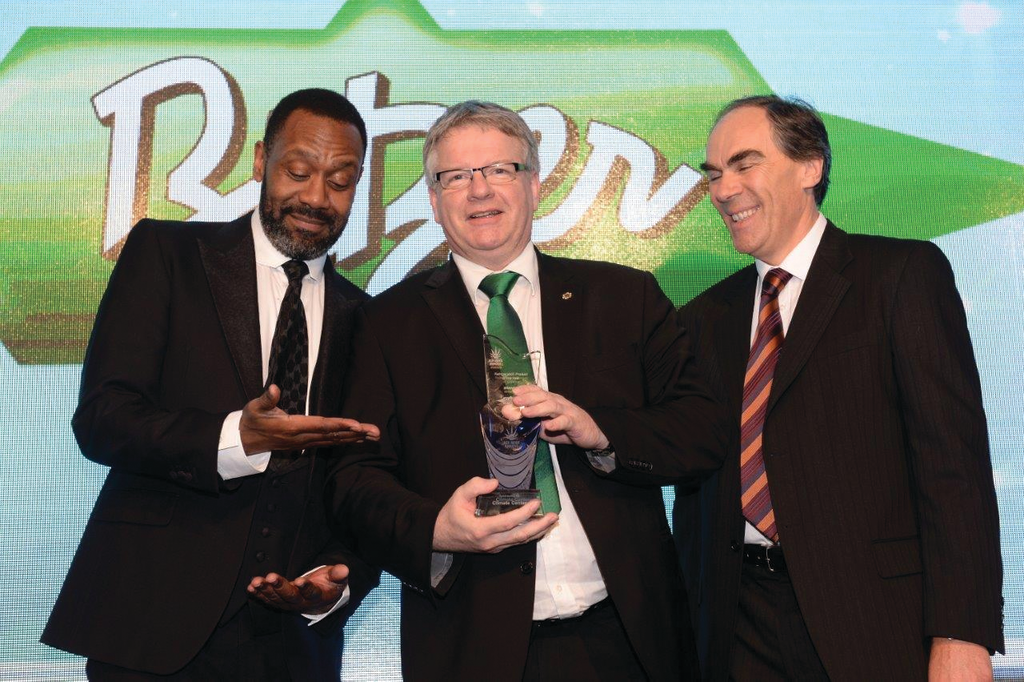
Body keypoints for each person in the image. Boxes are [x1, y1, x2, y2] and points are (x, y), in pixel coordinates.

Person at [324, 100, 726, 682]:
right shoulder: (385, 325)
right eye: (454, 176)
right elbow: (353, 480)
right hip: (472, 646)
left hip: (630, 637)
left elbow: (702, 432)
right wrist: (436, 529)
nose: (478, 189)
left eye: (499, 169)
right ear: (433, 201)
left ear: (535, 185)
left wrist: (601, 431)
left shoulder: (624, 298)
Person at [41, 88, 381, 681]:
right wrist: (235, 439)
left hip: (291, 650)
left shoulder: (369, 318)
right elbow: (102, 418)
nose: (315, 197)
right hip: (151, 625)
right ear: (260, 161)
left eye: (340, 181)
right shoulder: (167, 254)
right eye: (298, 171)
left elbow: (367, 480)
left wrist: (335, 581)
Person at [672, 95, 1003, 681]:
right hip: (735, 628)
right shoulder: (703, 317)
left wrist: (962, 634)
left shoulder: (900, 276)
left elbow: (953, 471)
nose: (723, 189)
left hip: (874, 622)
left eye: (745, 164)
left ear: (810, 167)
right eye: (714, 173)